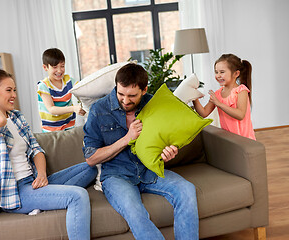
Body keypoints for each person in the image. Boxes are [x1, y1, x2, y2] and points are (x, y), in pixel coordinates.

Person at [0, 68, 97, 240]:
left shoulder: (17, 117)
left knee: (92, 166)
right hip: (17, 192)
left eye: (14, 90)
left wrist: (42, 174)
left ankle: (46, 199)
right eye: (8, 90)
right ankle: (47, 199)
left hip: (34, 182)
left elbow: (36, 150)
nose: (14, 95)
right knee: (77, 197)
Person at [83, 63, 199, 240]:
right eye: (120, 94)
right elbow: (91, 158)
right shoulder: (99, 110)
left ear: (144, 90)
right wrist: (126, 139)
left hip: (148, 171)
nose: (125, 100)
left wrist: (168, 152)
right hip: (117, 176)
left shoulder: (153, 104)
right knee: (133, 210)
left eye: (132, 96)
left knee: (186, 190)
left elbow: (164, 140)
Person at [193, 53, 255, 140]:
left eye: (222, 72)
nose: (218, 75)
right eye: (216, 72)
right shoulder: (217, 94)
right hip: (228, 140)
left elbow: (240, 114)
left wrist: (219, 103)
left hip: (244, 140)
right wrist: (194, 98)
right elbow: (203, 113)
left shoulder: (241, 91)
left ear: (236, 74)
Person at [37, 48, 85, 132]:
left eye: (62, 66)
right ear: (45, 67)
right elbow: (51, 109)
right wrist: (73, 108)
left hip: (69, 127)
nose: (59, 70)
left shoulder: (69, 81)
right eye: (55, 67)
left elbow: (83, 88)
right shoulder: (43, 86)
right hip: (51, 131)